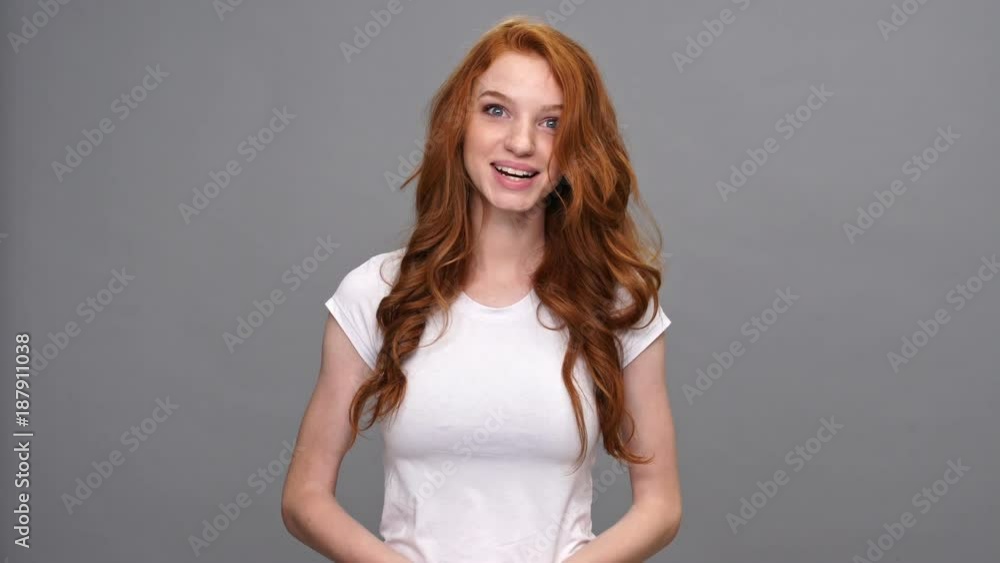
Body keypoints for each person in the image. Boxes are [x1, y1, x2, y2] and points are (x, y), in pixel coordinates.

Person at [281, 15, 681, 563]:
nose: (520, 142)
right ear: (458, 124)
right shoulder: (374, 293)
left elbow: (660, 505)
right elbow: (304, 497)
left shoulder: (617, 304)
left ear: (576, 147)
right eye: (496, 110)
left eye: (551, 123)